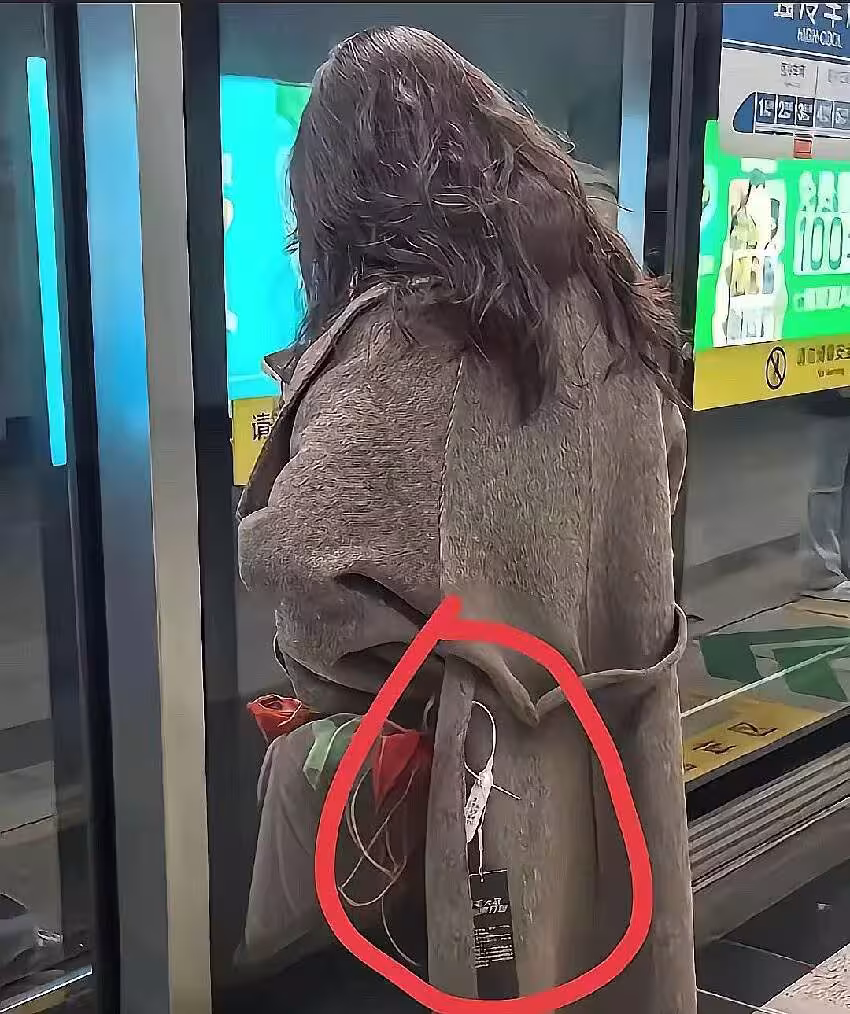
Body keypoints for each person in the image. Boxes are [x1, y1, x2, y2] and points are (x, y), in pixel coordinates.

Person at [237, 26, 694, 1013]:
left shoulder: (409, 336)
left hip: (475, 789)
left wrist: (384, 671)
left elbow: (305, 557)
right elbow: (659, 487)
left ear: (343, 199)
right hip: (616, 750)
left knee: (475, 964)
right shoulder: (614, 304)